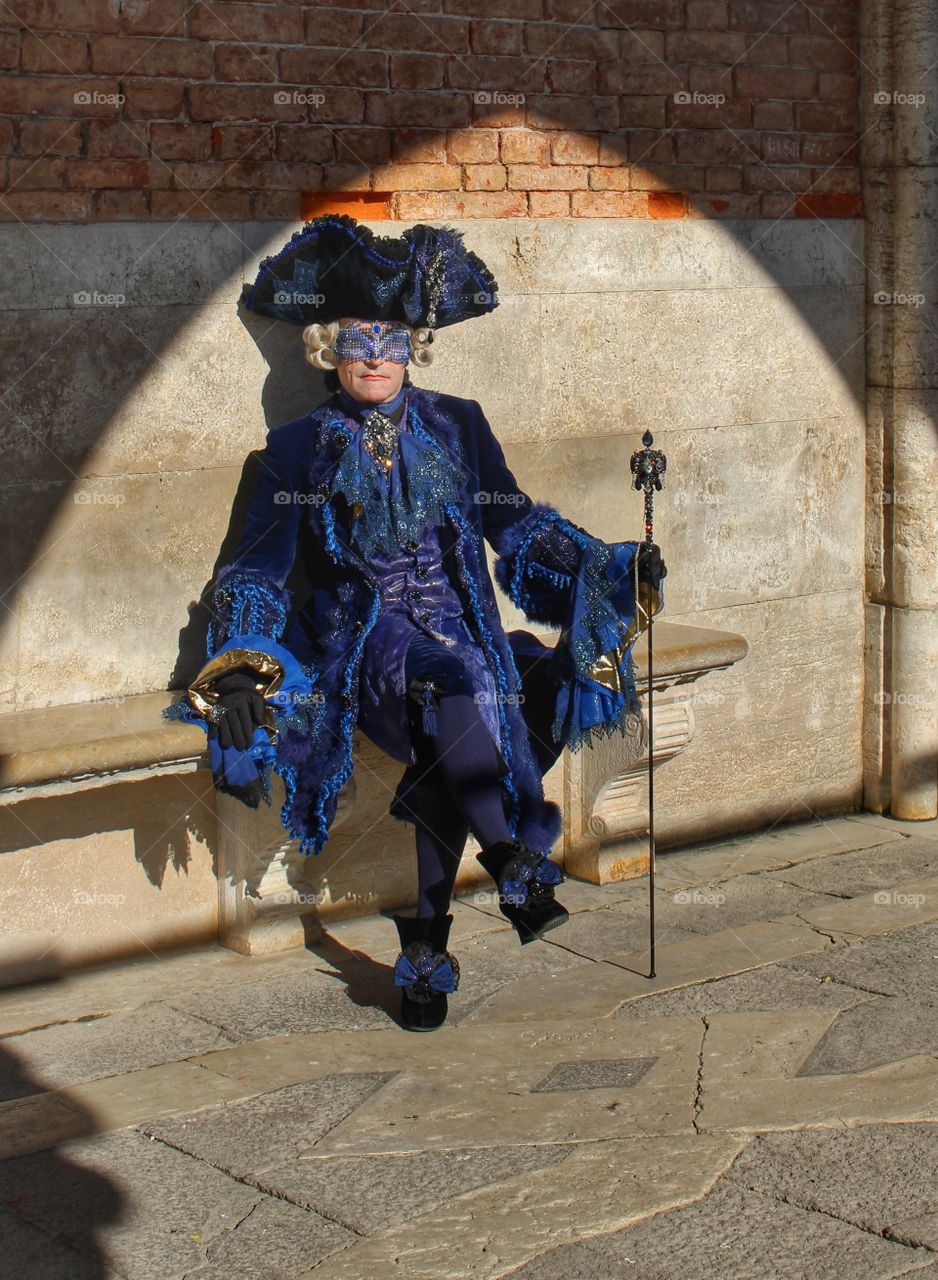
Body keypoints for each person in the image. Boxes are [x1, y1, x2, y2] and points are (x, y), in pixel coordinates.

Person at [168, 214, 666, 1031]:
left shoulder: (460, 424)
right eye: (359, 339)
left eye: (391, 341)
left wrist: (608, 566)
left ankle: (427, 952)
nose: (374, 357)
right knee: (457, 683)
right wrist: (244, 660)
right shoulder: (295, 449)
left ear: (414, 349)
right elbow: (252, 571)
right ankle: (512, 856)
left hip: (461, 636)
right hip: (368, 653)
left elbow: (517, 527)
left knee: (519, 681)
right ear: (328, 346)